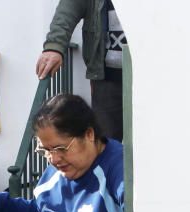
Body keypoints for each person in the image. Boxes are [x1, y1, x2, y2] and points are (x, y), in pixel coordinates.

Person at [35, 0, 126, 142]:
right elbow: (68, 10)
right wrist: (54, 47)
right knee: (104, 143)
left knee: (154, 140)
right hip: (107, 77)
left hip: (154, 72)